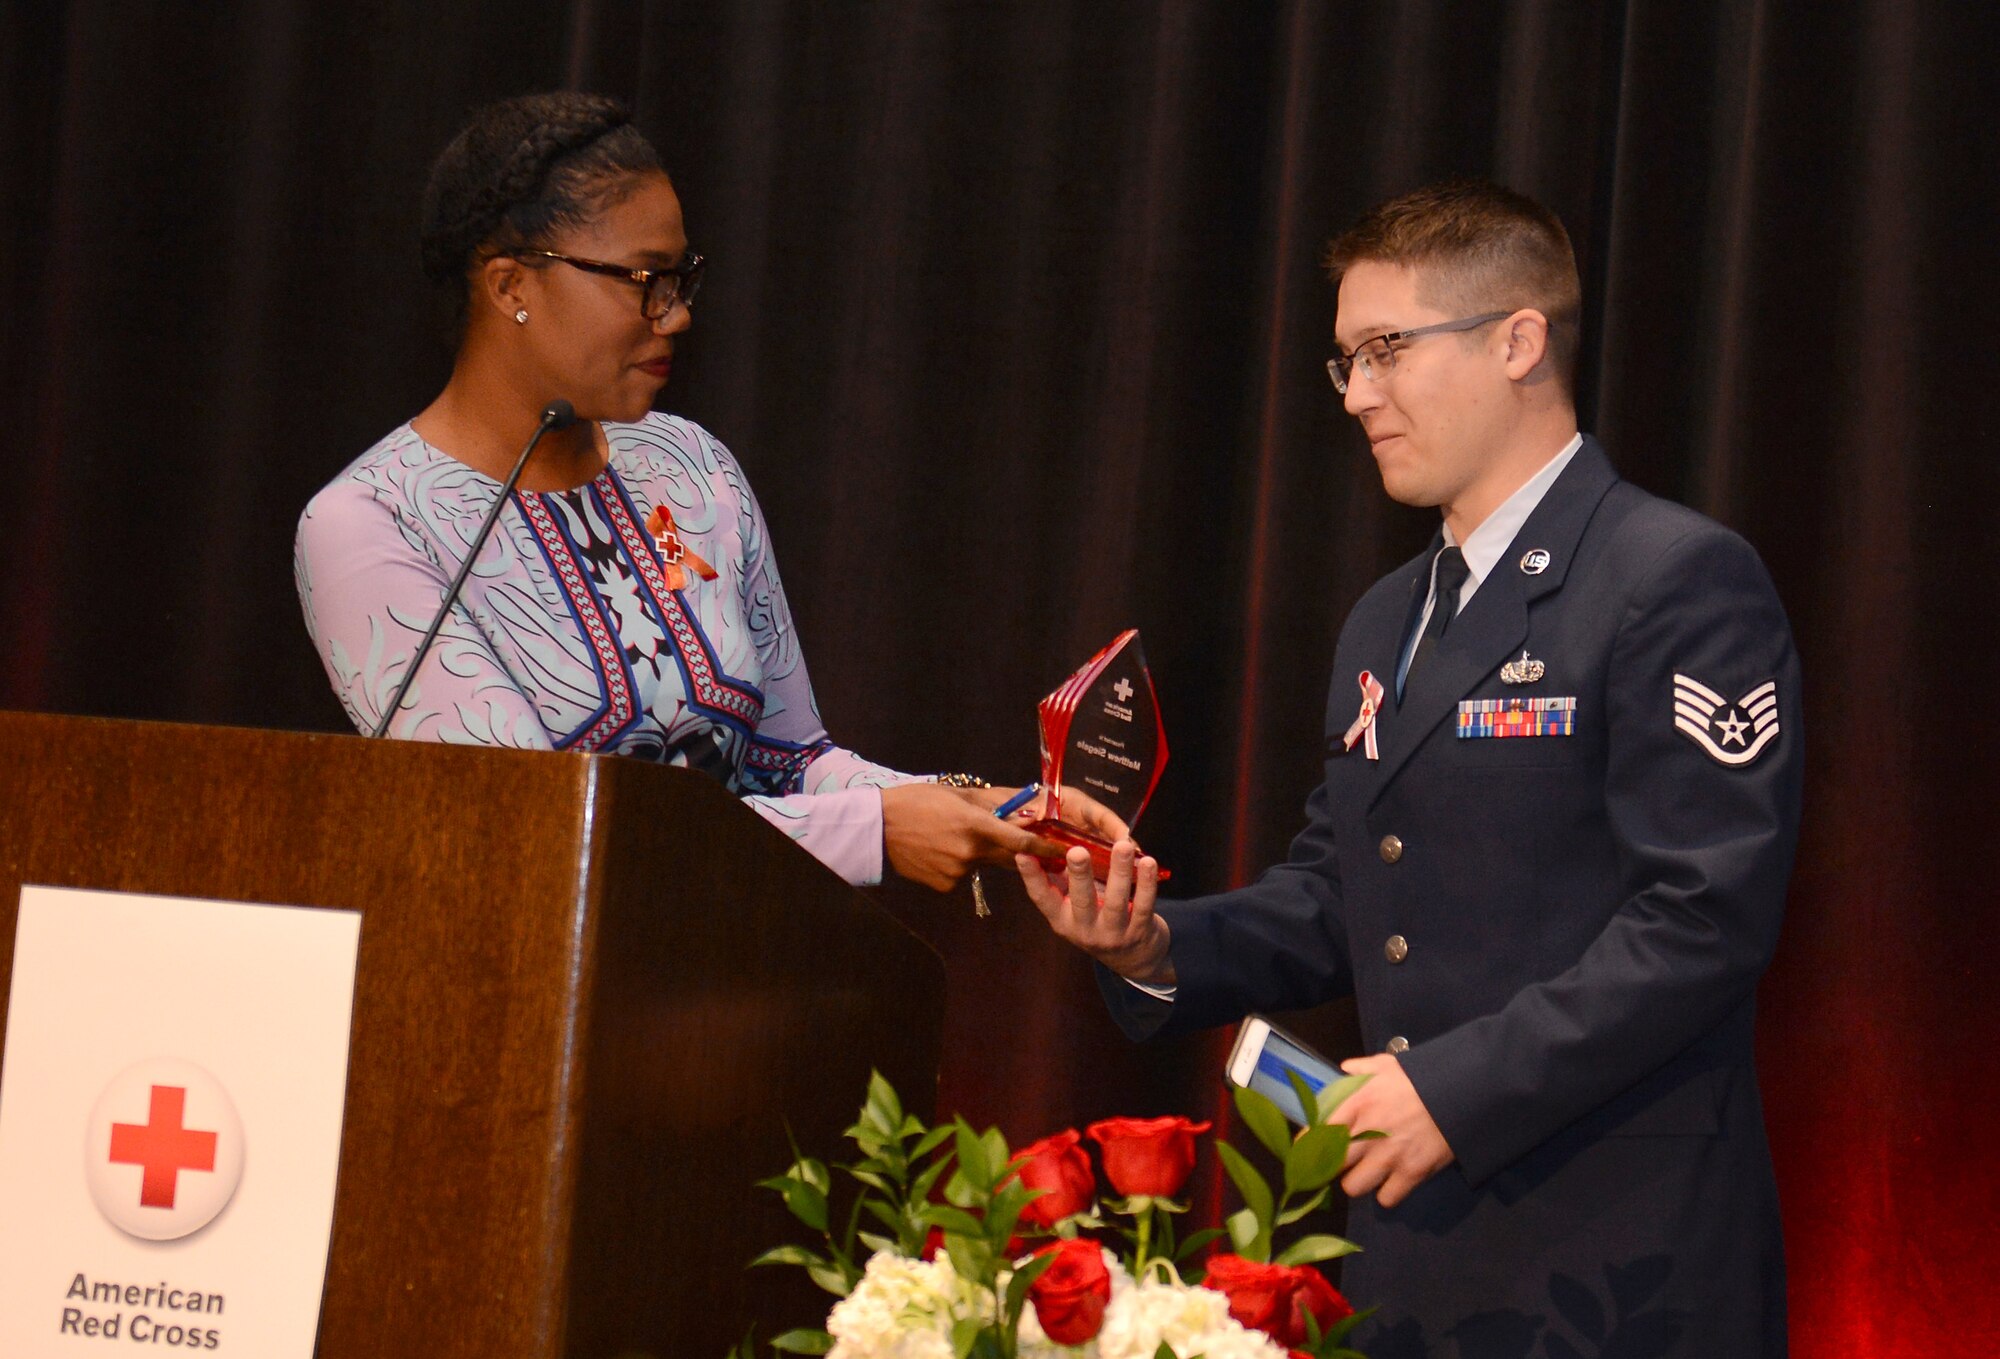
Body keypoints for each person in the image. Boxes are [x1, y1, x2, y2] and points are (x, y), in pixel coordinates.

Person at [1018, 181, 1802, 1358]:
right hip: (1412, 1251)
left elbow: (1702, 917)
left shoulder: (1671, 577)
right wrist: (1149, 943)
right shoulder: (1387, 617)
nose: (1357, 395)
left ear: (1516, 341)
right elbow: (1344, 889)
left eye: (1385, 350)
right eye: (1344, 361)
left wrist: (1454, 1088)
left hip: (1618, 1257)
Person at [296, 93, 1103, 892]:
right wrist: (877, 831)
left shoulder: (690, 464)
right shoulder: (372, 525)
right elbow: (534, 826)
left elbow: (790, 760)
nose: (676, 315)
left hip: (727, 982)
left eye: (681, 278)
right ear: (512, 287)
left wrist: (977, 808)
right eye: (644, 280)